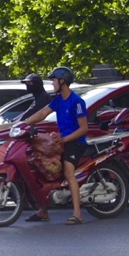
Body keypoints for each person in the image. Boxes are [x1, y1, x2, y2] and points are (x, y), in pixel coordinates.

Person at [20, 67, 88, 225]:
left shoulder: (77, 101)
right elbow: (43, 113)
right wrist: (23, 124)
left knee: (68, 171)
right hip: (61, 141)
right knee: (40, 166)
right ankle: (43, 211)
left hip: (75, 143)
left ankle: (77, 214)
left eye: (54, 80)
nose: (52, 84)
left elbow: (83, 129)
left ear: (62, 81)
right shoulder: (57, 100)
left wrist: (64, 140)